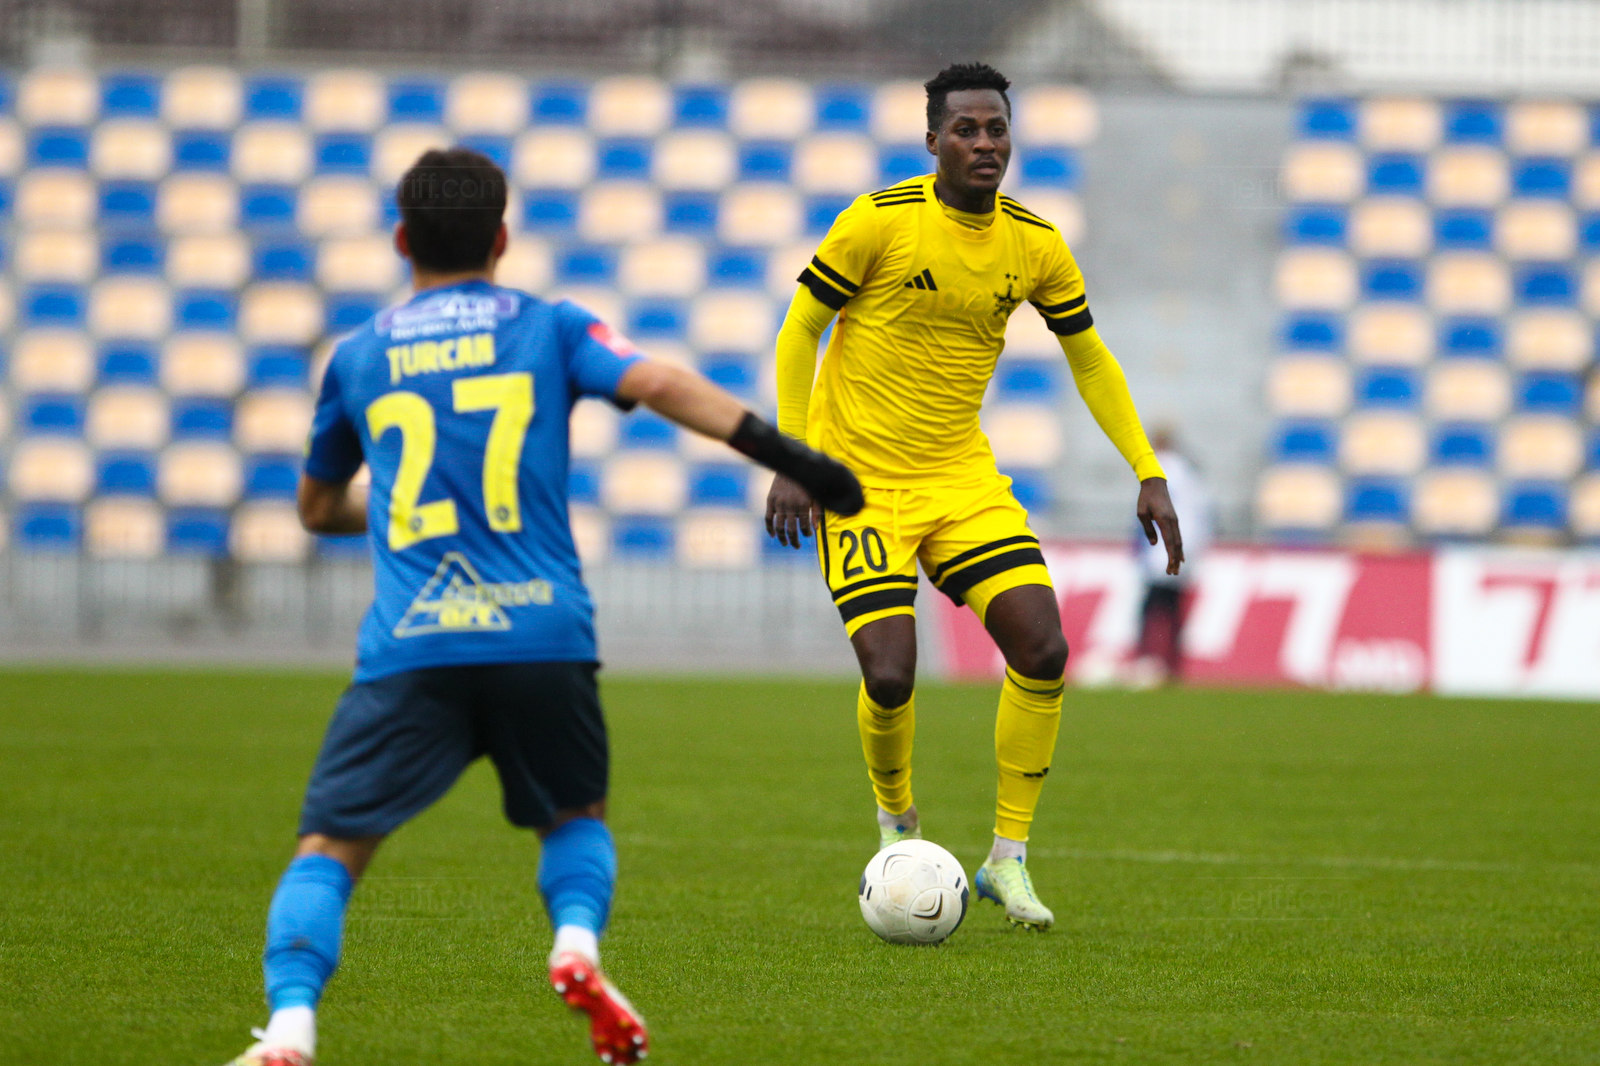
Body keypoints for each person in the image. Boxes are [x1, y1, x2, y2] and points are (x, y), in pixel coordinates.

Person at [224, 147, 863, 1066]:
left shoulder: (359, 356)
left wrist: (405, 506)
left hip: (415, 642)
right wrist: (797, 460)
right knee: (573, 817)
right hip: (541, 633)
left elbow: (317, 510)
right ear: (502, 238)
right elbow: (657, 382)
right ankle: (575, 946)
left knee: (330, 847)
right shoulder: (548, 326)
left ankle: (290, 1027)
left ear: (402, 240)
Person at [765, 63, 1182, 931]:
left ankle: (1007, 860)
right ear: (933, 141)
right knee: (890, 674)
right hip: (861, 485)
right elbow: (801, 328)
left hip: (960, 479)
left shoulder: (1035, 243)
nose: (985, 143)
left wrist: (1147, 469)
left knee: (1043, 646)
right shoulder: (879, 221)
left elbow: (1089, 356)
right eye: (966, 129)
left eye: (997, 128)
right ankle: (897, 823)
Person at [1129, 428, 1212, 687]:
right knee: (1174, 610)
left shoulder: (1159, 469)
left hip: (1159, 550)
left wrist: (1139, 546)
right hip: (1183, 549)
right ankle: (1173, 665)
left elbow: (1148, 509)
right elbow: (1203, 514)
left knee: (1149, 608)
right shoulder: (1189, 472)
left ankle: (1145, 659)